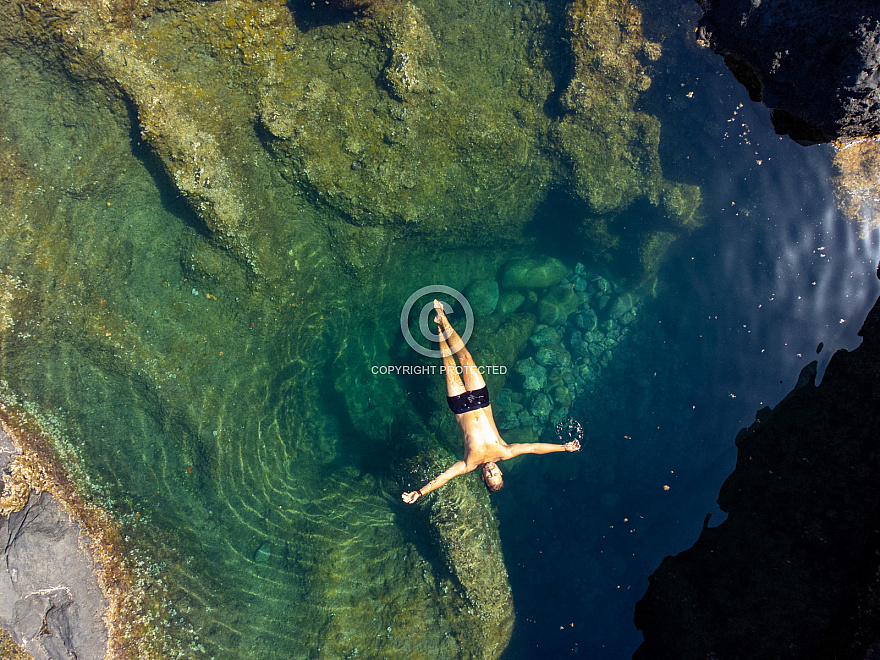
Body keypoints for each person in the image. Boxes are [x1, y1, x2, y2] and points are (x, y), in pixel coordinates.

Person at [402, 300, 580, 504]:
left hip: (460, 406)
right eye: (495, 474)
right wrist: (563, 447)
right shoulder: (504, 452)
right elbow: (533, 447)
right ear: (501, 473)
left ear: (482, 477)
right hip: (480, 400)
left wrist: (420, 492)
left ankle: (438, 328)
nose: (490, 472)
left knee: (447, 362)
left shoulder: (469, 463)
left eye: (488, 476)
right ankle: (444, 320)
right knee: (466, 358)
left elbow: (444, 477)